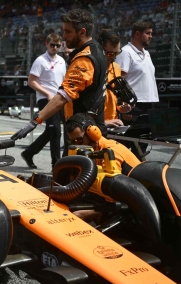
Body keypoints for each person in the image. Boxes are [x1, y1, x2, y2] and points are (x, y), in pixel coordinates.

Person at [12, 9, 108, 158]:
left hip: (82, 133)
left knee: (71, 176)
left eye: (68, 32)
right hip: (92, 127)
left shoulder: (84, 59)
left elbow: (64, 95)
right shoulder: (98, 50)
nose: (64, 36)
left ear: (82, 32)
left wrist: (36, 120)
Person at [20, 33, 67, 169]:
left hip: (59, 99)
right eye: (52, 45)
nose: (55, 48)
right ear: (46, 44)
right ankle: (56, 164)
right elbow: (31, 81)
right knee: (56, 130)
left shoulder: (62, 61)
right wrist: (47, 93)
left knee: (51, 130)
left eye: (58, 45)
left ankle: (29, 153)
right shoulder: (40, 60)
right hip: (45, 99)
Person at [115, 21, 158, 158]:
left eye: (151, 33)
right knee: (128, 145)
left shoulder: (146, 53)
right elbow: (118, 81)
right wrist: (122, 102)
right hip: (133, 106)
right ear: (137, 34)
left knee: (142, 145)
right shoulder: (126, 52)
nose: (151, 36)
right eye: (148, 33)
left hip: (149, 104)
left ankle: (137, 174)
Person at [66, 113, 141, 175]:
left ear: (92, 134)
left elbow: (112, 186)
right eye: (72, 142)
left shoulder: (112, 152)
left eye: (79, 140)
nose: (76, 145)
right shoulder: (92, 151)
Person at [97, 30, 132, 128]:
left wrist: (121, 107)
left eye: (117, 53)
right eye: (110, 54)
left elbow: (114, 96)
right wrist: (102, 123)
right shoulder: (91, 68)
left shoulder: (116, 68)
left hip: (114, 122)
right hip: (96, 124)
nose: (114, 57)